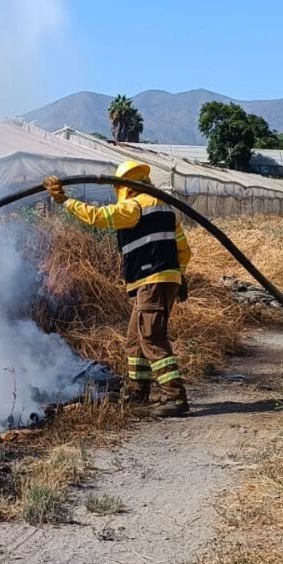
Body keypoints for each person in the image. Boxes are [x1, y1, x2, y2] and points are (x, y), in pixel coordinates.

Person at [44, 161, 191, 417]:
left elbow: (98, 218)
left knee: (151, 337)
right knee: (135, 341)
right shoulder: (166, 209)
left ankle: (175, 397)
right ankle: (137, 391)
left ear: (125, 186)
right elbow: (183, 250)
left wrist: (65, 201)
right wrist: (179, 276)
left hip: (151, 280)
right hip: (160, 281)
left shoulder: (134, 207)